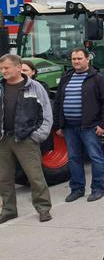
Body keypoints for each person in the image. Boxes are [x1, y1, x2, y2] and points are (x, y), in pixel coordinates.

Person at [54, 48, 104, 203]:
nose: (76, 61)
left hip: (90, 127)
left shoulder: (98, 78)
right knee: (74, 158)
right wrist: (59, 124)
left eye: (79, 58)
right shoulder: (66, 77)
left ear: (88, 59)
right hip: (69, 127)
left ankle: (98, 188)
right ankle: (77, 189)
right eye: (74, 59)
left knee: (96, 157)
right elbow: (59, 102)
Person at [0, 54, 53, 223]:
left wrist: (37, 136)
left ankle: (43, 208)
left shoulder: (35, 87)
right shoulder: (1, 87)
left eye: (6, 68)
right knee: (4, 178)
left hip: (26, 139)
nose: (3, 71)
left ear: (18, 67)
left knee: (35, 176)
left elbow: (46, 114)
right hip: (3, 140)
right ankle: (9, 210)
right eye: (1, 68)